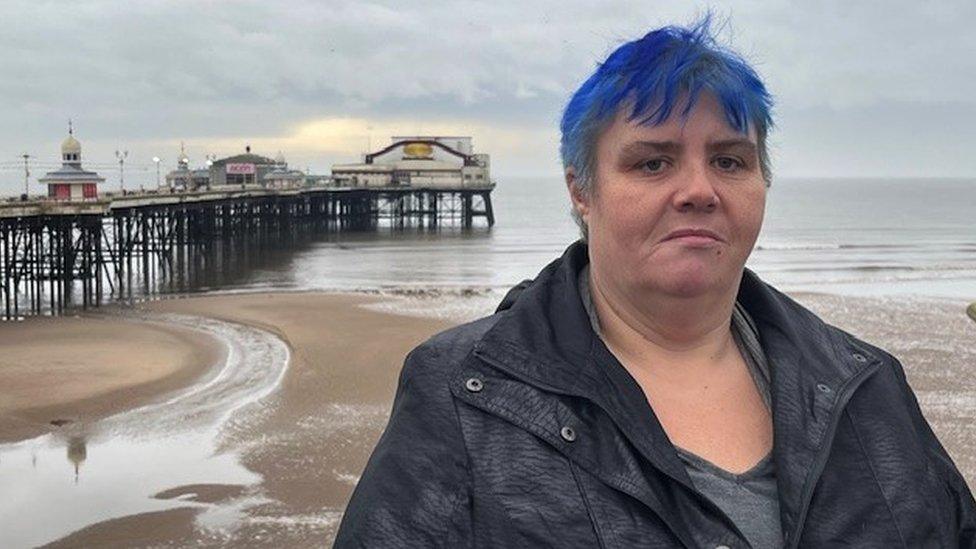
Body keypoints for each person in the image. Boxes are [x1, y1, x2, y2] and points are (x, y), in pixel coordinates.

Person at [334, 16, 976, 548]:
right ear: (582, 190)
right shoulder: (463, 394)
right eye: (652, 162)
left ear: (761, 184)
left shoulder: (866, 384)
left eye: (729, 159)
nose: (698, 189)